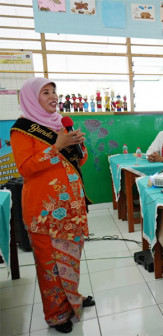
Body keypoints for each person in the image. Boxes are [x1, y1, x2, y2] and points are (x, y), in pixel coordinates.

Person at [10, 78, 94, 334]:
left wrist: (77, 145)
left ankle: (73, 300)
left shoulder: (60, 123)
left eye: (54, 91)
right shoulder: (21, 130)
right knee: (50, 265)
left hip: (73, 211)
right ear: (32, 98)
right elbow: (25, 168)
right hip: (44, 212)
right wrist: (56, 147)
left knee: (71, 259)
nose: (53, 96)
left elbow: (79, 161)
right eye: (45, 92)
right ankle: (56, 314)